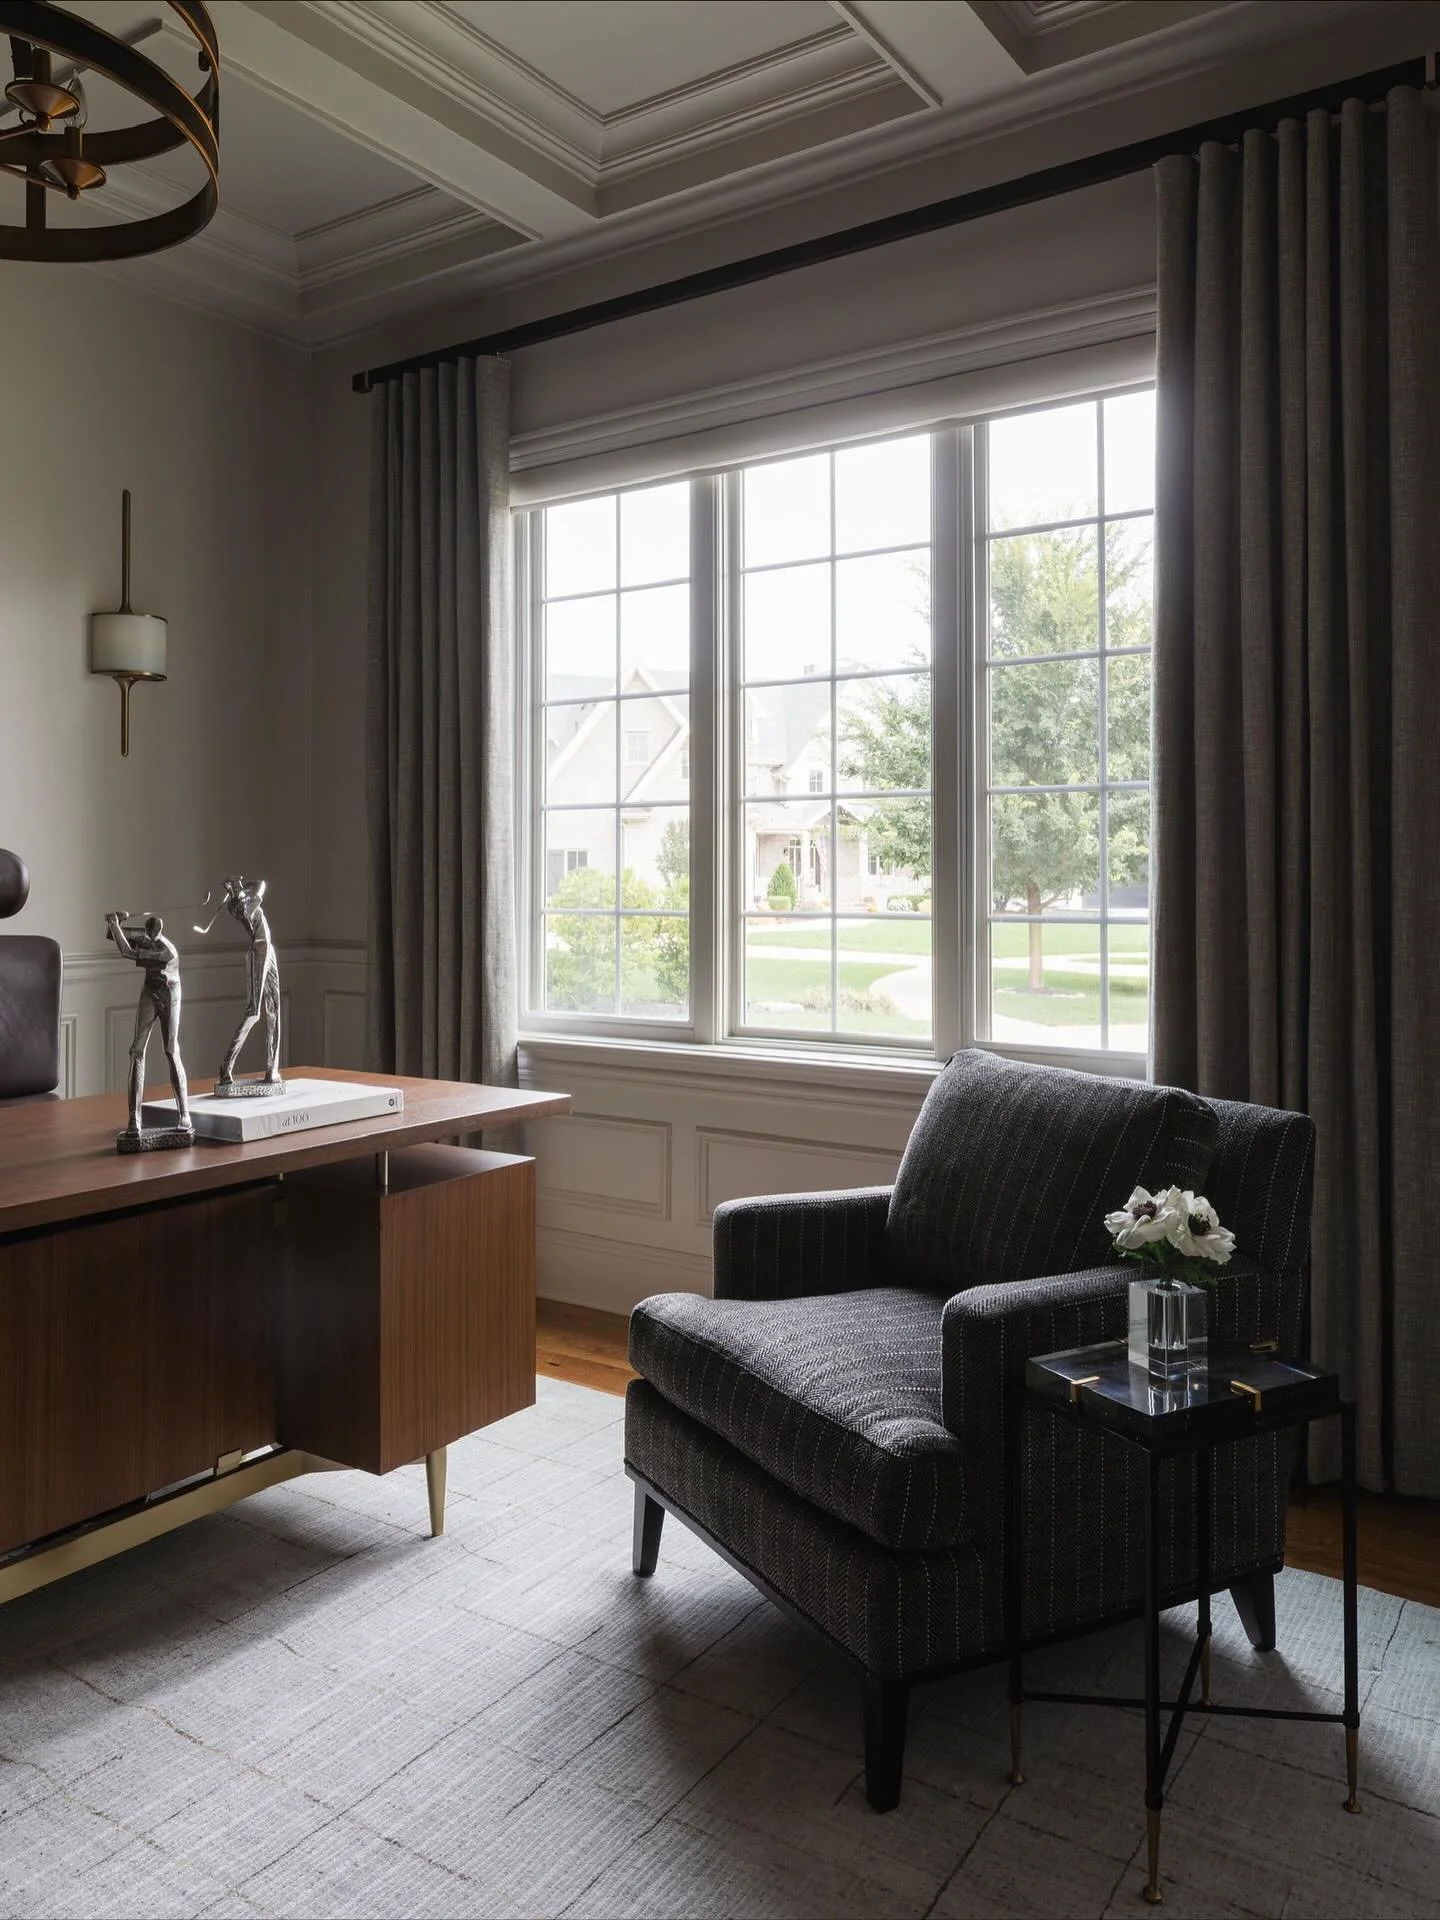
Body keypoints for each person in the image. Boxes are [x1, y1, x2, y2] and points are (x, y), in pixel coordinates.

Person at [105, 912, 191, 1137]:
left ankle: (184, 1114)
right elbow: (112, 936)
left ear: (158, 933)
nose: (148, 939)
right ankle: (135, 1118)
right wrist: (118, 922)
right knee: (136, 1051)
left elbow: (126, 951)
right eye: (147, 935)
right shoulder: (146, 937)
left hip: (170, 994)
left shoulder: (166, 950)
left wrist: (114, 924)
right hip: (150, 992)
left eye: (151, 936)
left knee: (171, 1051)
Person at [217, 875, 281, 1089]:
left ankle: (272, 1069)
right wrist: (236, 886)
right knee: (254, 1012)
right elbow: (261, 885)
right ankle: (226, 1067)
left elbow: (259, 884)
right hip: (259, 951)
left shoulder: (243, 901)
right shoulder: (243, 906)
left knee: (274, 1010)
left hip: (268, 950)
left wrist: (237, 885)